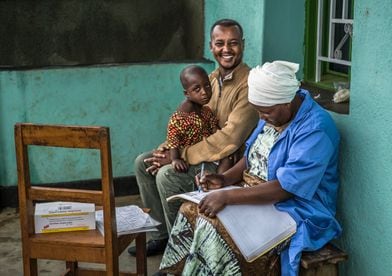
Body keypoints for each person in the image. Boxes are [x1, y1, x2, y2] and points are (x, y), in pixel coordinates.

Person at [159, 61, 342, 276]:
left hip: (295, 208)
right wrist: (225, 179)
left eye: (265, 112)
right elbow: (252, 155)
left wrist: (227, 197)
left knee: (215, 228)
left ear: (286, 102)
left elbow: (287, 188)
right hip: (256, 193)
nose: (262, 118)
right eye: (258, 112)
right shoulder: (274, 109)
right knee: (190, 211)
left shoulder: (315, 130)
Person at [128, 18, 259, 257]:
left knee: (168, 175)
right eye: (220, 43)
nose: (226, 50)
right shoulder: (209, 79)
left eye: (233, 43)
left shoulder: (250, 85)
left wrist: (180, 156)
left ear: (243, 45)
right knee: (144, 163)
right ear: (211, 46)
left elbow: (230, 138)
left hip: (227, 159)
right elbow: (185, 121)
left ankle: (182, 253)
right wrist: (166, 149)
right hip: (201, 149)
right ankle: (163, 236)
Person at [167, 65, 232, 174]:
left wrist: (226, 146)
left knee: (228, 157)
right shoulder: (180, 117)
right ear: (186, 94)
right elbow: (173, 140)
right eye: (197, 89)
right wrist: (175, 159)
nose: (204, 92)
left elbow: (216, 131)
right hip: (191, 156)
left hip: (207, 151)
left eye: (207, 86)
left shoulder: (206, 111)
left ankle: (220, 183)